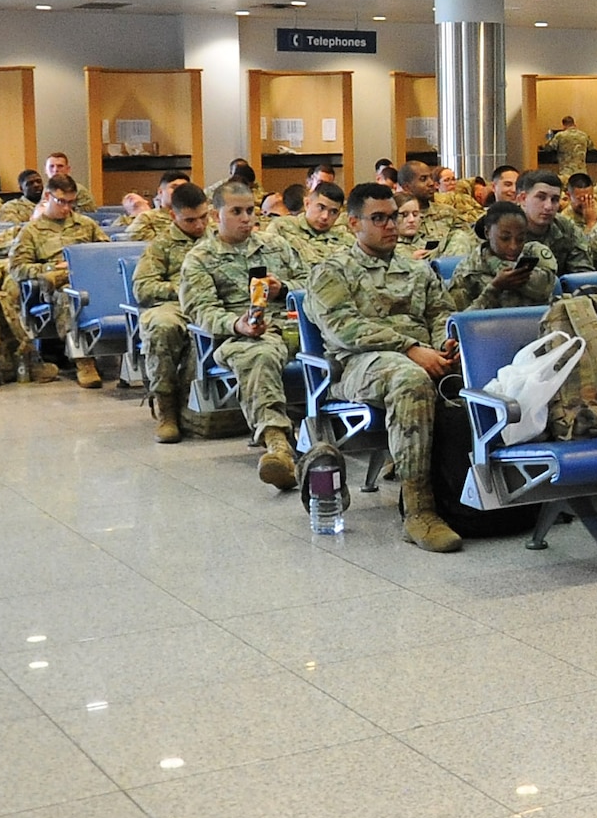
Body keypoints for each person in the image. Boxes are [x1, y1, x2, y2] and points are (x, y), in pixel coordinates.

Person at [306, 182, 464, 552]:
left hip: (422, 355)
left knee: (488, 367)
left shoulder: (417, 270)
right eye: (378, 218)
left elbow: (440, 312)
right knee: (410, 379)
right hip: (358, 366)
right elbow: (343, 328)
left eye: (393, 217)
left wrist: (445, 342)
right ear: (353, 224)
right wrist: (410, 347)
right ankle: (418, 510)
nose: (390, 225)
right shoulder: (332, 271)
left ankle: (490, 492)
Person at [178, 181, 307, 484]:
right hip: (240, 335)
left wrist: (284, 288)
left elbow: (312, 280)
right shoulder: (200, 258)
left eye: (250, 210)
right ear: (215, 215)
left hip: (290, 325)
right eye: (236, 211)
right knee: (259, 355)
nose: (246, 218)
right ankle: (278, 446)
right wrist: (238, 324)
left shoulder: (274, 245)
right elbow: (201, 310)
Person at [7, 175, 109, 388]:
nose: (66, 208)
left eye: (71, 202)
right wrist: (53, 268)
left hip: (87, 278)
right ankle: (83, 360)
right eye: (61, 201)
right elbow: (17, 268)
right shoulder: (31, 231)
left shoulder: (86, 224)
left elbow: (105, 253)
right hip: (53, 287)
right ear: (47, 196)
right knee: (69, 296)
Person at [134, 183, 213, 443]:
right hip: (176, 304)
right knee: (162, 326)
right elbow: (142, 287)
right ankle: (166, 408)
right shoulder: (162, 245)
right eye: (190, 220)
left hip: (212, 301)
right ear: (173, 216)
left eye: (204, 217)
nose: (199, 226)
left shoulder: (218, 239)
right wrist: (180, 288)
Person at [447, 202, 557, 310]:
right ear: (487, 233)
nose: (513, 247)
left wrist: (516, 273)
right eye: (505, 238)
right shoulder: (467, 271)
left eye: (520, 239)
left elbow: (545, 291)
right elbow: (459, 322)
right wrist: (495, 288)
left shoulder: (534, 254)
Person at [516, 169, 593, 273]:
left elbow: (583, 275)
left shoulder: (566, 228)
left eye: (555, 199)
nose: (548, 206)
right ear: (523, 199)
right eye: (541, 198)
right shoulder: (504, 227)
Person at [261, 179, 349, 268]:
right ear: (307, 204)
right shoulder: (282, 228)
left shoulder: (346, 240)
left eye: (333, 212)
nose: (325, 216)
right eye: (321, 208)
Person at [122, 173, 190, 241]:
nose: (179, 192)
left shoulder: (194, 216)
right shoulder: (147, 217)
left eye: (183, 188)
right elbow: (133, 239)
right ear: (160, 192)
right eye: (174, 187)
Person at [545, 114, 595, 180]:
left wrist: (548, 139)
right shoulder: (584, 135)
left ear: (564, 125)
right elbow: (592, 148)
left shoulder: (560, 136)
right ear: (574, 124)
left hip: (566, 173)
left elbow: (548, 148)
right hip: (581, 172)